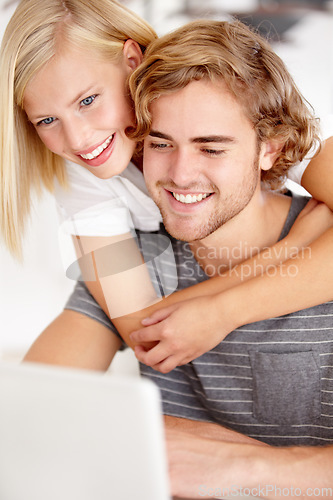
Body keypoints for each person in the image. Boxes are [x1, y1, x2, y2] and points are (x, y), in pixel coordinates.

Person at [62, 19, 333, 494]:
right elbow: (28, 412)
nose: (181, 174)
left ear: (269, 148)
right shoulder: (131, 267)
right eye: (161, 144)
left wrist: (248, 468)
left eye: (211, 148)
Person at [1, 0, 333, 373]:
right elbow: (145, 330)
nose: (77, 139)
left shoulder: (225, 89)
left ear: (132, 62)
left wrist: (225, 310)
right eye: (46, 119)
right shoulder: (79, 173)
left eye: (88, 100)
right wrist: (291, 249)